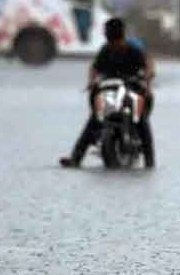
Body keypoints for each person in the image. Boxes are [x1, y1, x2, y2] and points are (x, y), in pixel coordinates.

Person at [59, 18, 155, 169]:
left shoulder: (133, 50)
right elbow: (94, 67)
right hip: (109, 89)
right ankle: (76, 158)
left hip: (131, 88)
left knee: (141, 120)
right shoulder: (106, 50)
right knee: (94, 119)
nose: (114, 45)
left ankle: (150, 161)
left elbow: (148, 64)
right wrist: (91, 82)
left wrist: (147, 79)